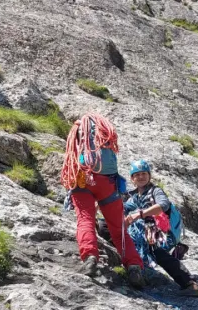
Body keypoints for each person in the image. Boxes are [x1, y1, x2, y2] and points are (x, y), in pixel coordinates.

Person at [61, 113, 145, 287]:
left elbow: (72, 153)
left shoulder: (78, 127)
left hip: (82, 180)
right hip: (108, 182)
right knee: (118, 229)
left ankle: (90, 257)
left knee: (85, 220)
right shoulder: (105, 130)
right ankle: (134, 266)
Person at [124, 159, 198, 297]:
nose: (141, 177)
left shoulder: (155, 191)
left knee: (157, 252)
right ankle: (138, 272)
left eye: (144, 173)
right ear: (132, 179)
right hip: (145, 234)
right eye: (137, 175)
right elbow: (123, 208)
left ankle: (191, 283)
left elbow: (163, 205)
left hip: (163, 234)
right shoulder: (134, 197)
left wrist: (140, 214)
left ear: (149, 175)